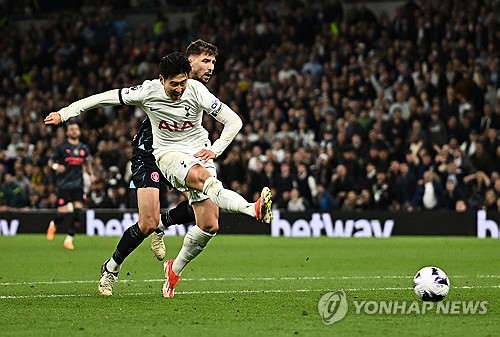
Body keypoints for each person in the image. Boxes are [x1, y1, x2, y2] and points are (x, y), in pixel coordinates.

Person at [44, 51, 273, 298]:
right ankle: (111, 268)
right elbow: (104, 98)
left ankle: (172, 264)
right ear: (163, 78)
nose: (179, 89)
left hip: (193, 153)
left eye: (182, 83)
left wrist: (214, 150)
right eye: (205, 61)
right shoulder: (148, 91)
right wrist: (65, 113)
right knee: (147, 222)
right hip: (153, 156)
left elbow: (233, 120)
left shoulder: (196, 89)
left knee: (209, 222)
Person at [46, 121, 93, 250]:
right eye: (71, 129)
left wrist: (91, 174)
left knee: (78, 212)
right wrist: (56, 166)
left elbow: (87, 163)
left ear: (79, 131)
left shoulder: (84, 148)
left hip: (78, 184)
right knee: (62, 214)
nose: (74, 131)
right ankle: (54, 224)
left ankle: (69, 239)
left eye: (76, 129)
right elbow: (50, 161)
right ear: (67, 132)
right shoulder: (62, 147)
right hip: (64, 184)